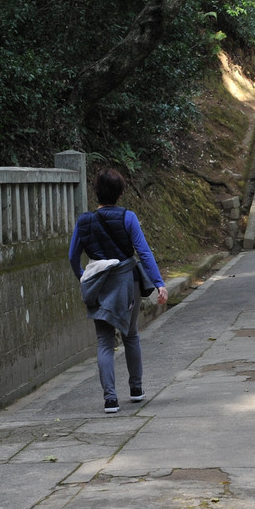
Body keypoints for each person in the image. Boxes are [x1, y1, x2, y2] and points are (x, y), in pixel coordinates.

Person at [68, 168, 168, 413]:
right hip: (126, 283)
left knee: (104, 342)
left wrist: (84, 278)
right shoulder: (128, 217)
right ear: (120, 193)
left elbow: (73, 257)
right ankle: (136, 389)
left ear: (96, 192)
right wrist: (158, 283)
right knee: (131, 335)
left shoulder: (84, 221)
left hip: (99, 284)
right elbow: (143, 252)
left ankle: (110, 399)